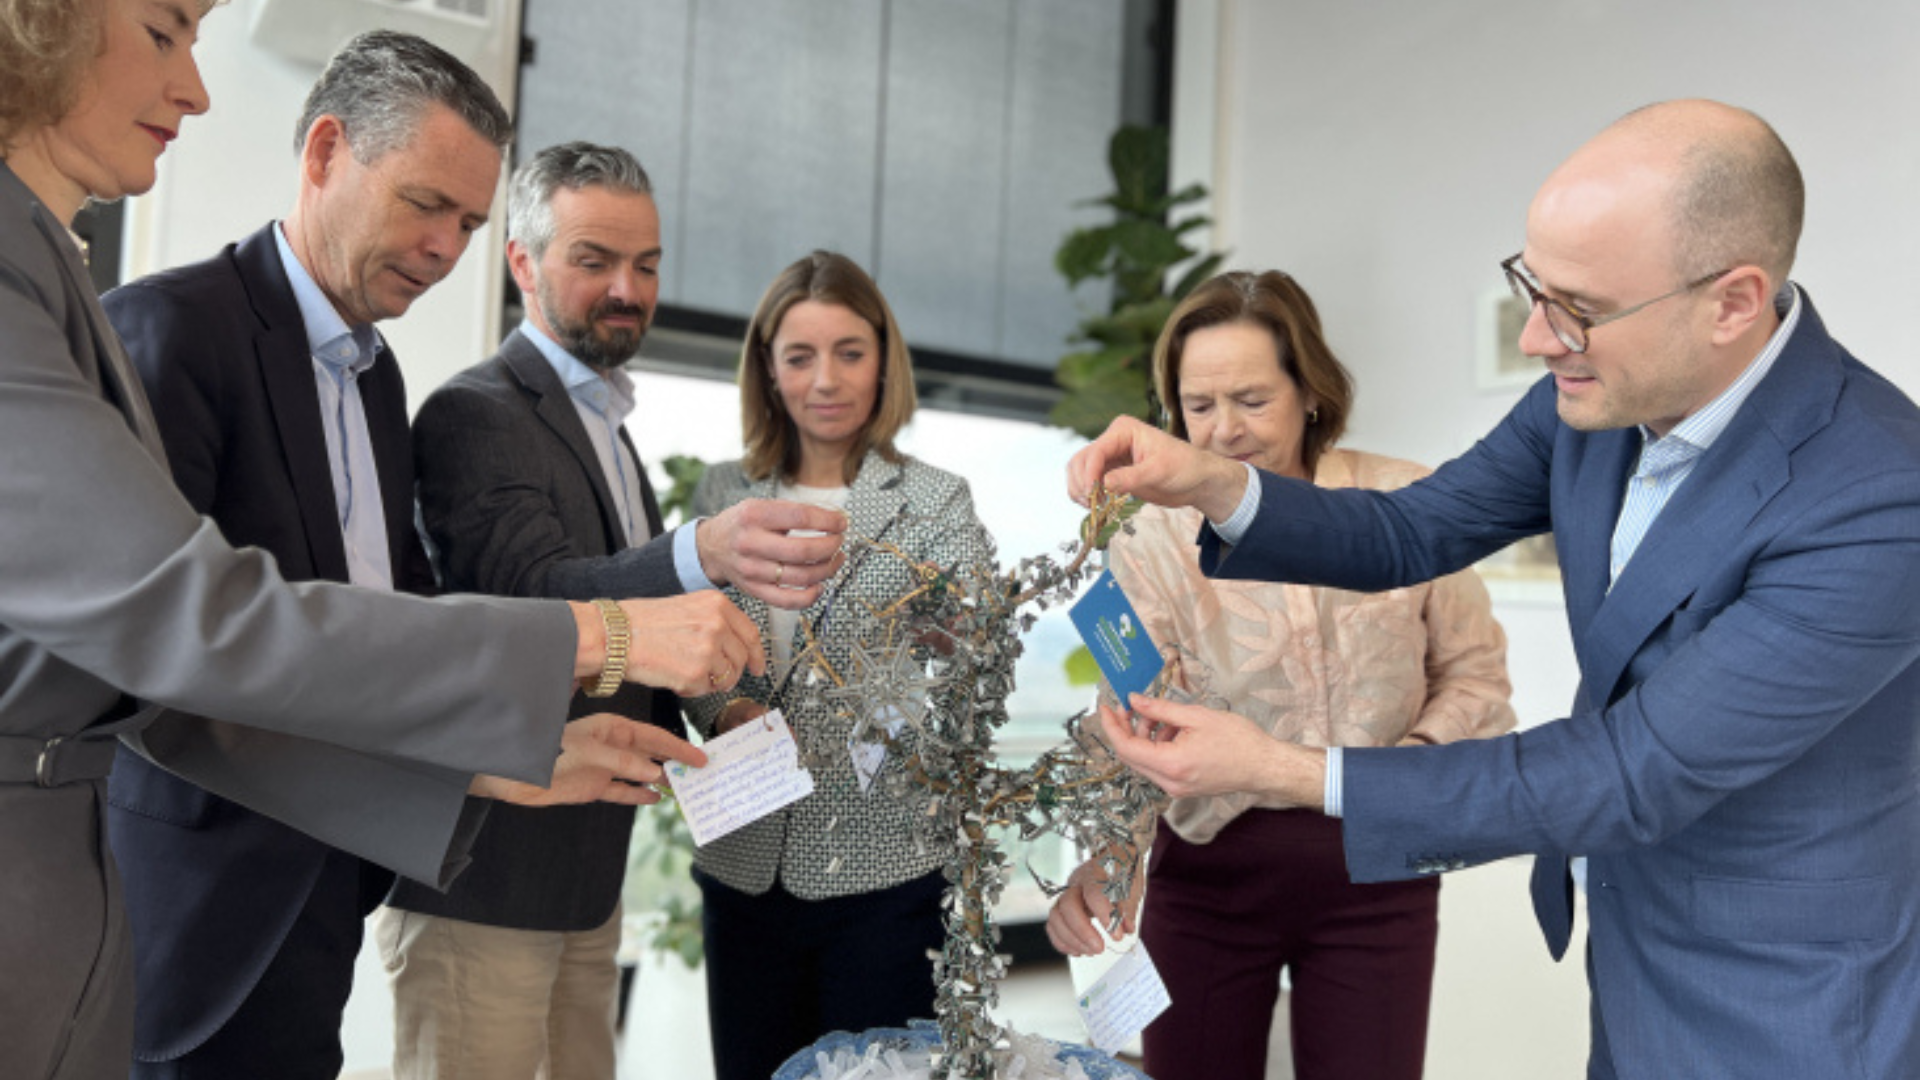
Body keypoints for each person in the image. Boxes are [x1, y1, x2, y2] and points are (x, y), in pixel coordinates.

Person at [0, 5, 844, 1079]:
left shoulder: (376, 373)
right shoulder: (168, 327)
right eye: (424, 204)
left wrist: (492, 762)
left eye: (468, 223)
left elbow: (395, 615)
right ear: (325, 153)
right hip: (192, 902)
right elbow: (191, 646)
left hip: (333, 880)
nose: (445, 249)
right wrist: (610, 635)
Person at [1070, 100, 1920, 1080]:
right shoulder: (1595, 400)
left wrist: (1282, 768)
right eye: (1532, 289)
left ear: (1732, 302)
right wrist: (1214, 483)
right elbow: (1411, 529)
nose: (1536, 339)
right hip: (1630, 941)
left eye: (1579, 309)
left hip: (1795, 994)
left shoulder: (1879, 496)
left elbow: (1630, 770)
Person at [1046, 269, 1515, 1079]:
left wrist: (1398, 781)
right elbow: (1129, 707)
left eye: (1252, 400)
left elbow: (1477, 679)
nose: (1223, 430)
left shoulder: (1405, 500)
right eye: (1198, 405)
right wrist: (1106, 857)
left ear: (1310, 392)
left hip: (1380, 869)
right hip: (1207, 879)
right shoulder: (1151, 535)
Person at [380, 141, 783, 1080]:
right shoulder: (475, 413)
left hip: (588, 886)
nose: (627, 290)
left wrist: (721, 710)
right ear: (522, 263)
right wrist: (698, 550)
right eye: (594, 260)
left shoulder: (607, 427)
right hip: (487, 883)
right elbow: (534, 600)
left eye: (647, 264)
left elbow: (638, 625)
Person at [682, 250, 994, 1080]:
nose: (826, 379)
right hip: (744, 862)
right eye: (800, 356)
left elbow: (975, 657)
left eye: (850, 352)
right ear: (768, 369)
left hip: (885, 873)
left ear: (884, 360)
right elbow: (689, 638)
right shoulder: (720, 494)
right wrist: (721, 712)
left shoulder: (936, 499)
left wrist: (955, 644)